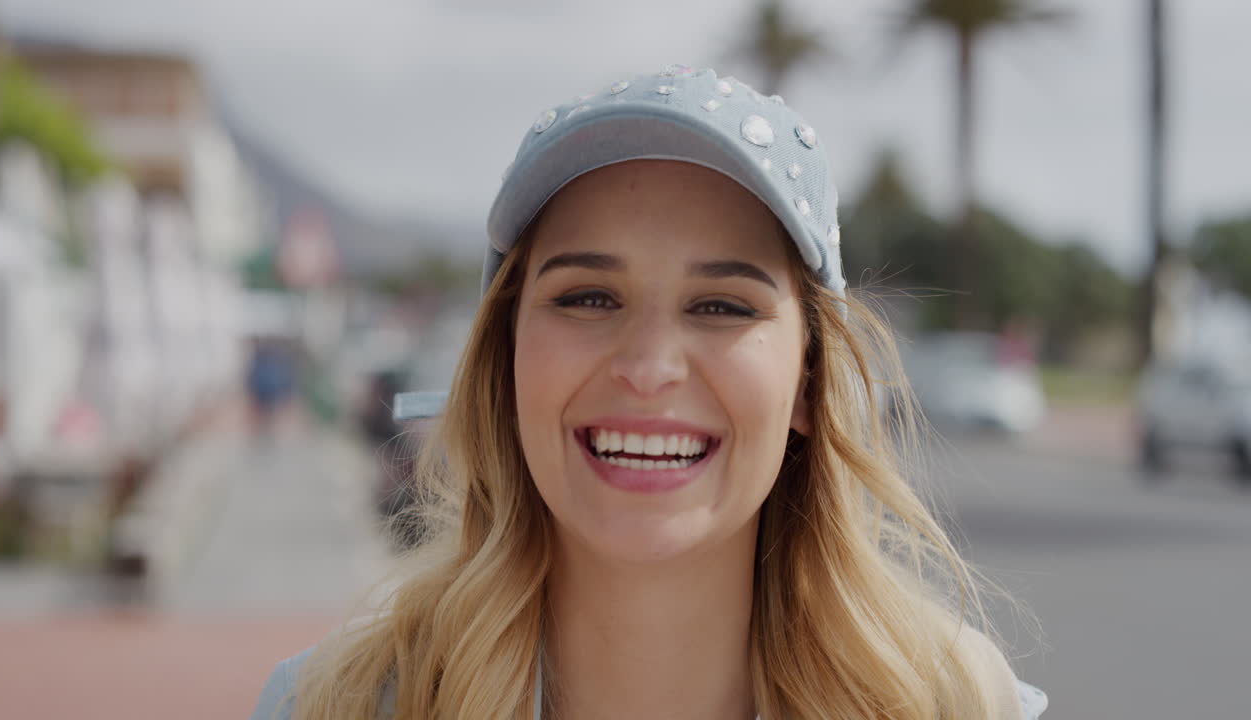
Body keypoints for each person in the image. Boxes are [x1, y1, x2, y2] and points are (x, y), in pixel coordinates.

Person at [250, 65, 1048, 720]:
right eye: (588, 296)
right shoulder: (335, 705)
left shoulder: (953, 703)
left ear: (808, 382)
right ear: (507, 357)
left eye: (722, 306)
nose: (649, 365)